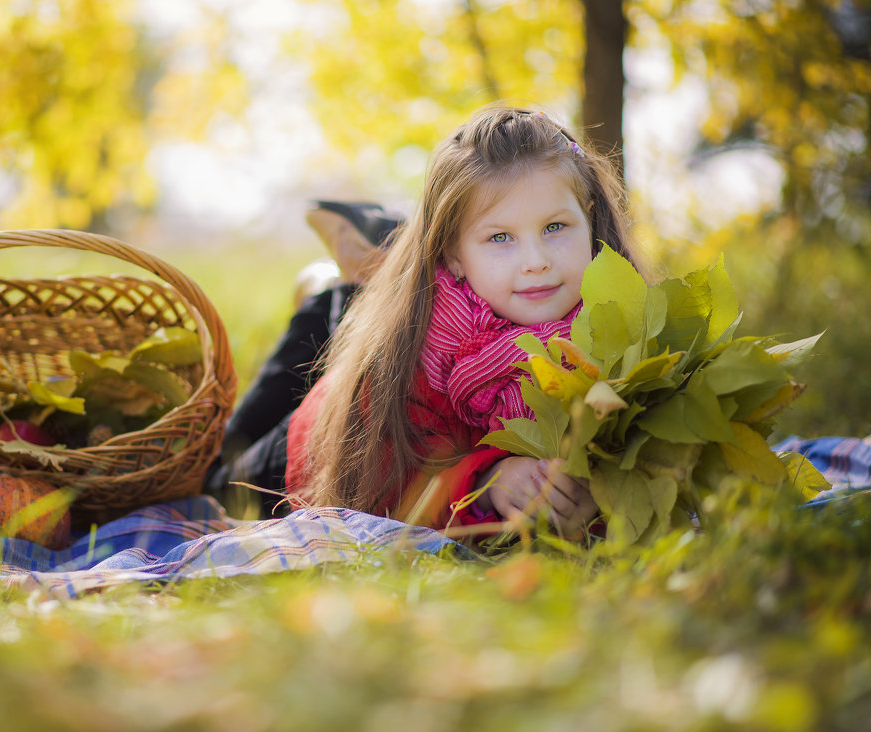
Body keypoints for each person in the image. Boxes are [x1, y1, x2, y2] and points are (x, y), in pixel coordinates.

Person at [209, 105, 644, 538]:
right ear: (453, 254)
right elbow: (385, 480)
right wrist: (486, 483)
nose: (536, 262)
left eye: (555, 227)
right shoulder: (417, 347)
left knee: (369, 307)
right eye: (500, 237)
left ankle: (374, 255)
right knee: (215, 472)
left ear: (588, 216)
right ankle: (337, 293)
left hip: (390, 324)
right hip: (314, 443)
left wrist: (603, 490)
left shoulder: (629, 329)